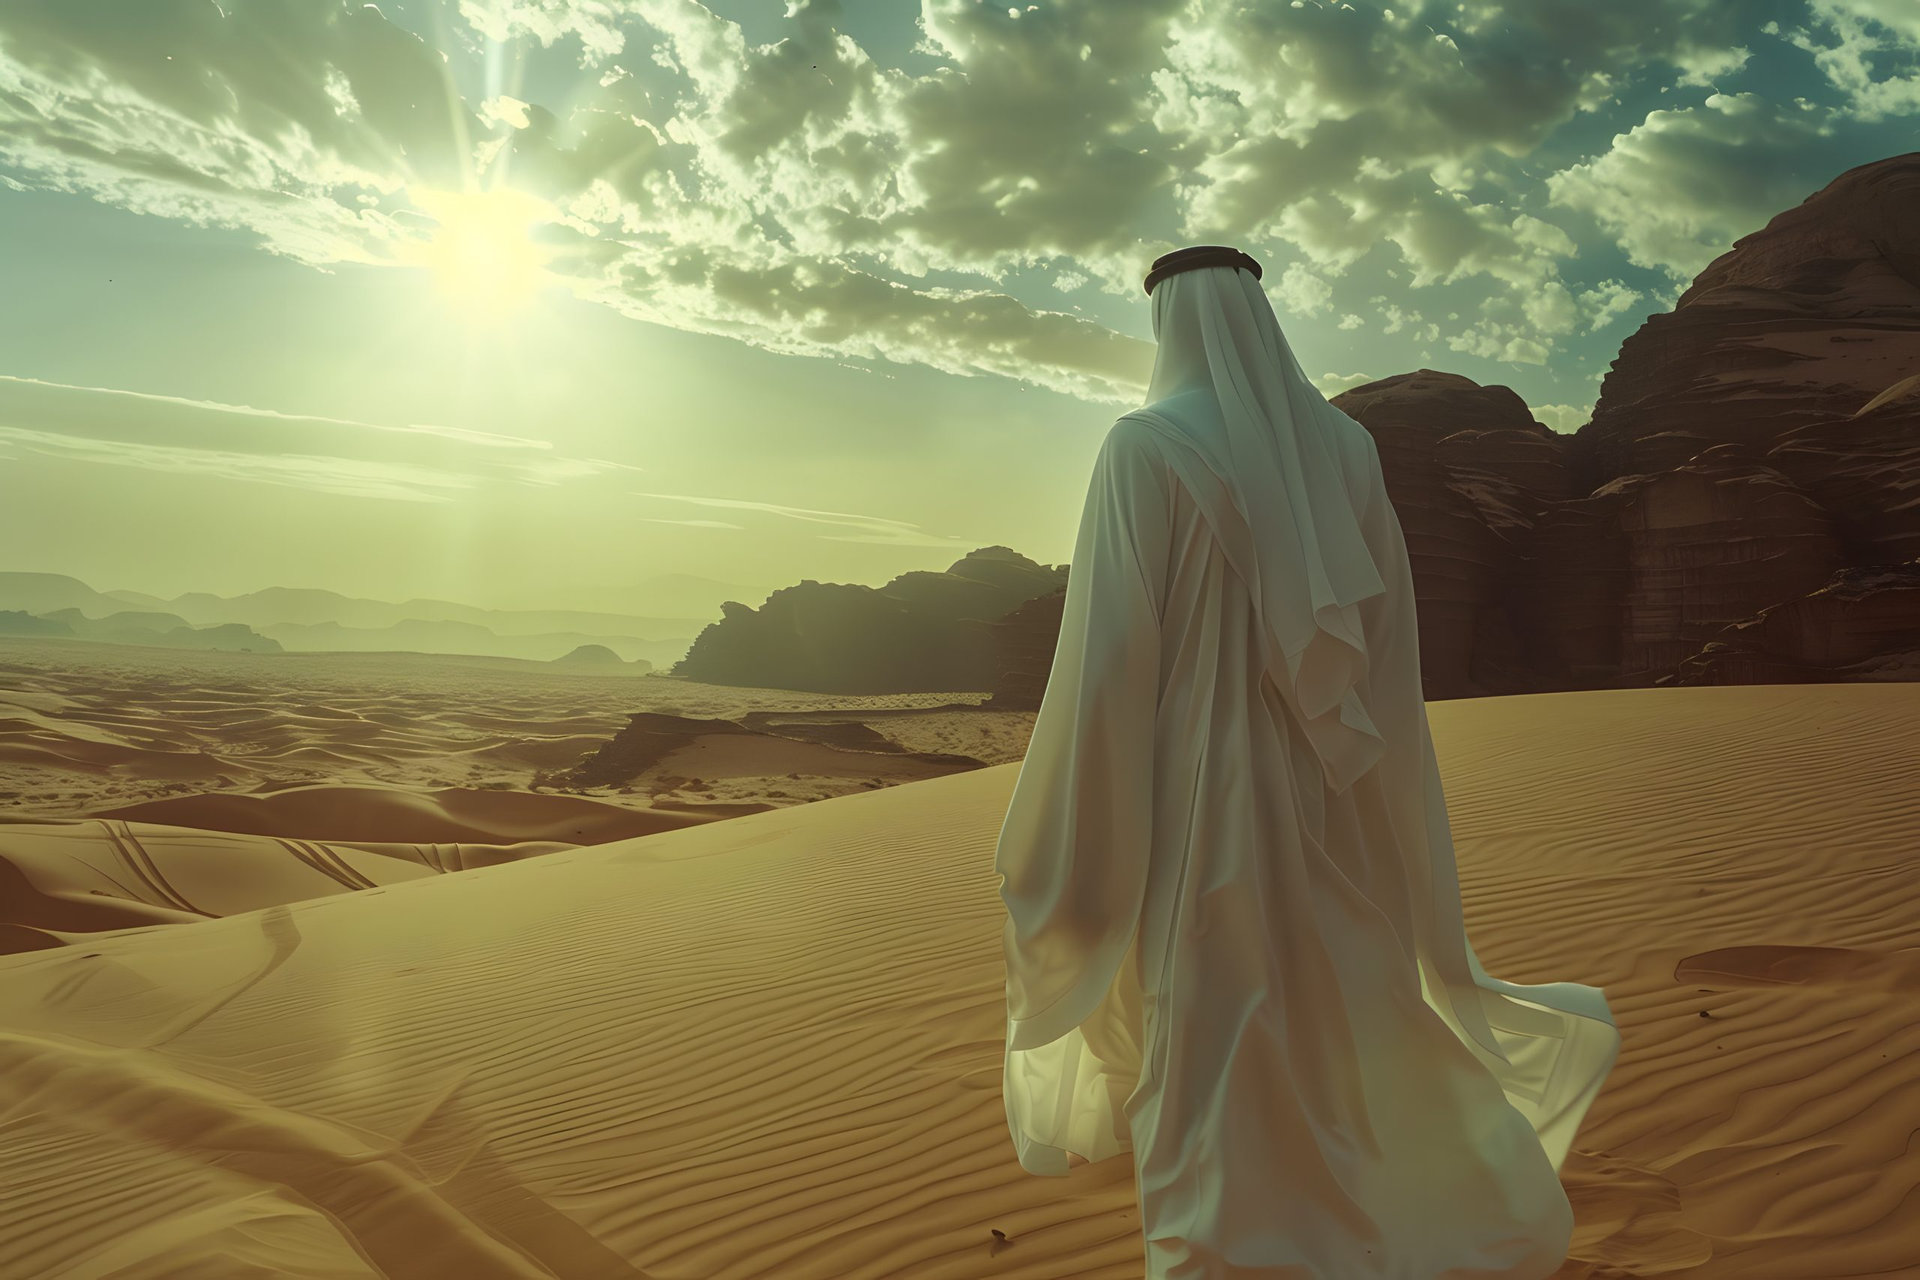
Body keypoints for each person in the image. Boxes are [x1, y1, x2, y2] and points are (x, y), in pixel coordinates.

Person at [992, 245, 1620, 1277]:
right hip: (1332, 789)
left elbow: (1108, 659)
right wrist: (1367, 783)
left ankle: (1227, 1249)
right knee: (1339, 1010)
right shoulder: (1345, 449)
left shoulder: (1142, 445)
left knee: (1211, 1027)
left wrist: (1063, 827)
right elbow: (1382, 639)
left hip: (1197, 798)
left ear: (1172, 318)